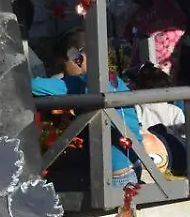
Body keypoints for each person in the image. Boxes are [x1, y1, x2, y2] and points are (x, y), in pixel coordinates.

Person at [32, 29, 143, 188]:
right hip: (134, 166)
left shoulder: (79, 82)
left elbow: (33, 86)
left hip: (116, 177)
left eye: (62, 67)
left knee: (45, 186)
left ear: (77, 59)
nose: (62, 74)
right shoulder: (116, 81)